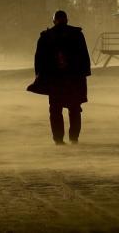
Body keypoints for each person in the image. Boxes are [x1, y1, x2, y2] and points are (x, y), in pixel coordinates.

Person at [30, 10, 92, 145]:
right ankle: (74, 138)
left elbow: (39, 60)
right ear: (67, 20)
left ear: (54, 21)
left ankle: (58, 140)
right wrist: (84, 75)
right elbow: (84, 58)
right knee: (74, 108)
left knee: (55, 109)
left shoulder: (46, 36)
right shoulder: (77, 35)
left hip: (55, 80)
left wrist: (39, 77)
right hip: (74, 79)